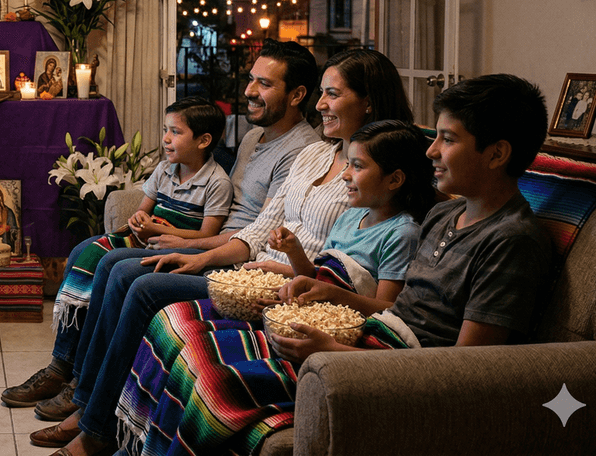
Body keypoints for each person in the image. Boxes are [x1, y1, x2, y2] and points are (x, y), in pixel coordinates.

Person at [134, 75, 554, 456]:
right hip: (370, 335)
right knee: (182, 329)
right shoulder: (445, 215)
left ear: (497, 153)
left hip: (400, 369)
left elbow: (470, 369)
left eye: (448, 139)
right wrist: (333, 299)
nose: (432, 151)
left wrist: (334, 352)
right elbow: (396, 307)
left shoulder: (511, 241)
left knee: (215, 377)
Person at [33, 49, 413, 456]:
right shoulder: (315, 153)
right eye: (322, 93)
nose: (321, 105)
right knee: (112, 262)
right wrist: (199, 253)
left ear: (368, 100)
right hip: (249, 270)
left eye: (332, 95)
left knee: (137, 283)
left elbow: (346, 264)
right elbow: (261, 226)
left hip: (283, 285)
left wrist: (202, 252)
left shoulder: (369, 177)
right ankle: (83, 392)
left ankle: (95, 427)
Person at [3, 40, 321, 416]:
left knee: (118, 269)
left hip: (233, 257)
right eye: (251, 79)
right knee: (91, 253)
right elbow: (224, 200)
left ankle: (83, 391)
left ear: (298, 94)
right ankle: (66, 369)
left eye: (264, 84)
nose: (249, 91)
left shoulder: (301, 152)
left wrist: (191, 242)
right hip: (213, 237)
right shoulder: (255, 135)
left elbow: (256, 232)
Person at [269, 119, 431, 304]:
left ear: (394, 180)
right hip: (318, 314)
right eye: (348, 164)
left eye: (358, 166)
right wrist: (294, 250)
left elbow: (385, 309)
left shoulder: (401, 234)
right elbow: (317, 280)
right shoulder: (349, 217)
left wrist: (331, 294)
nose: (345, 175)